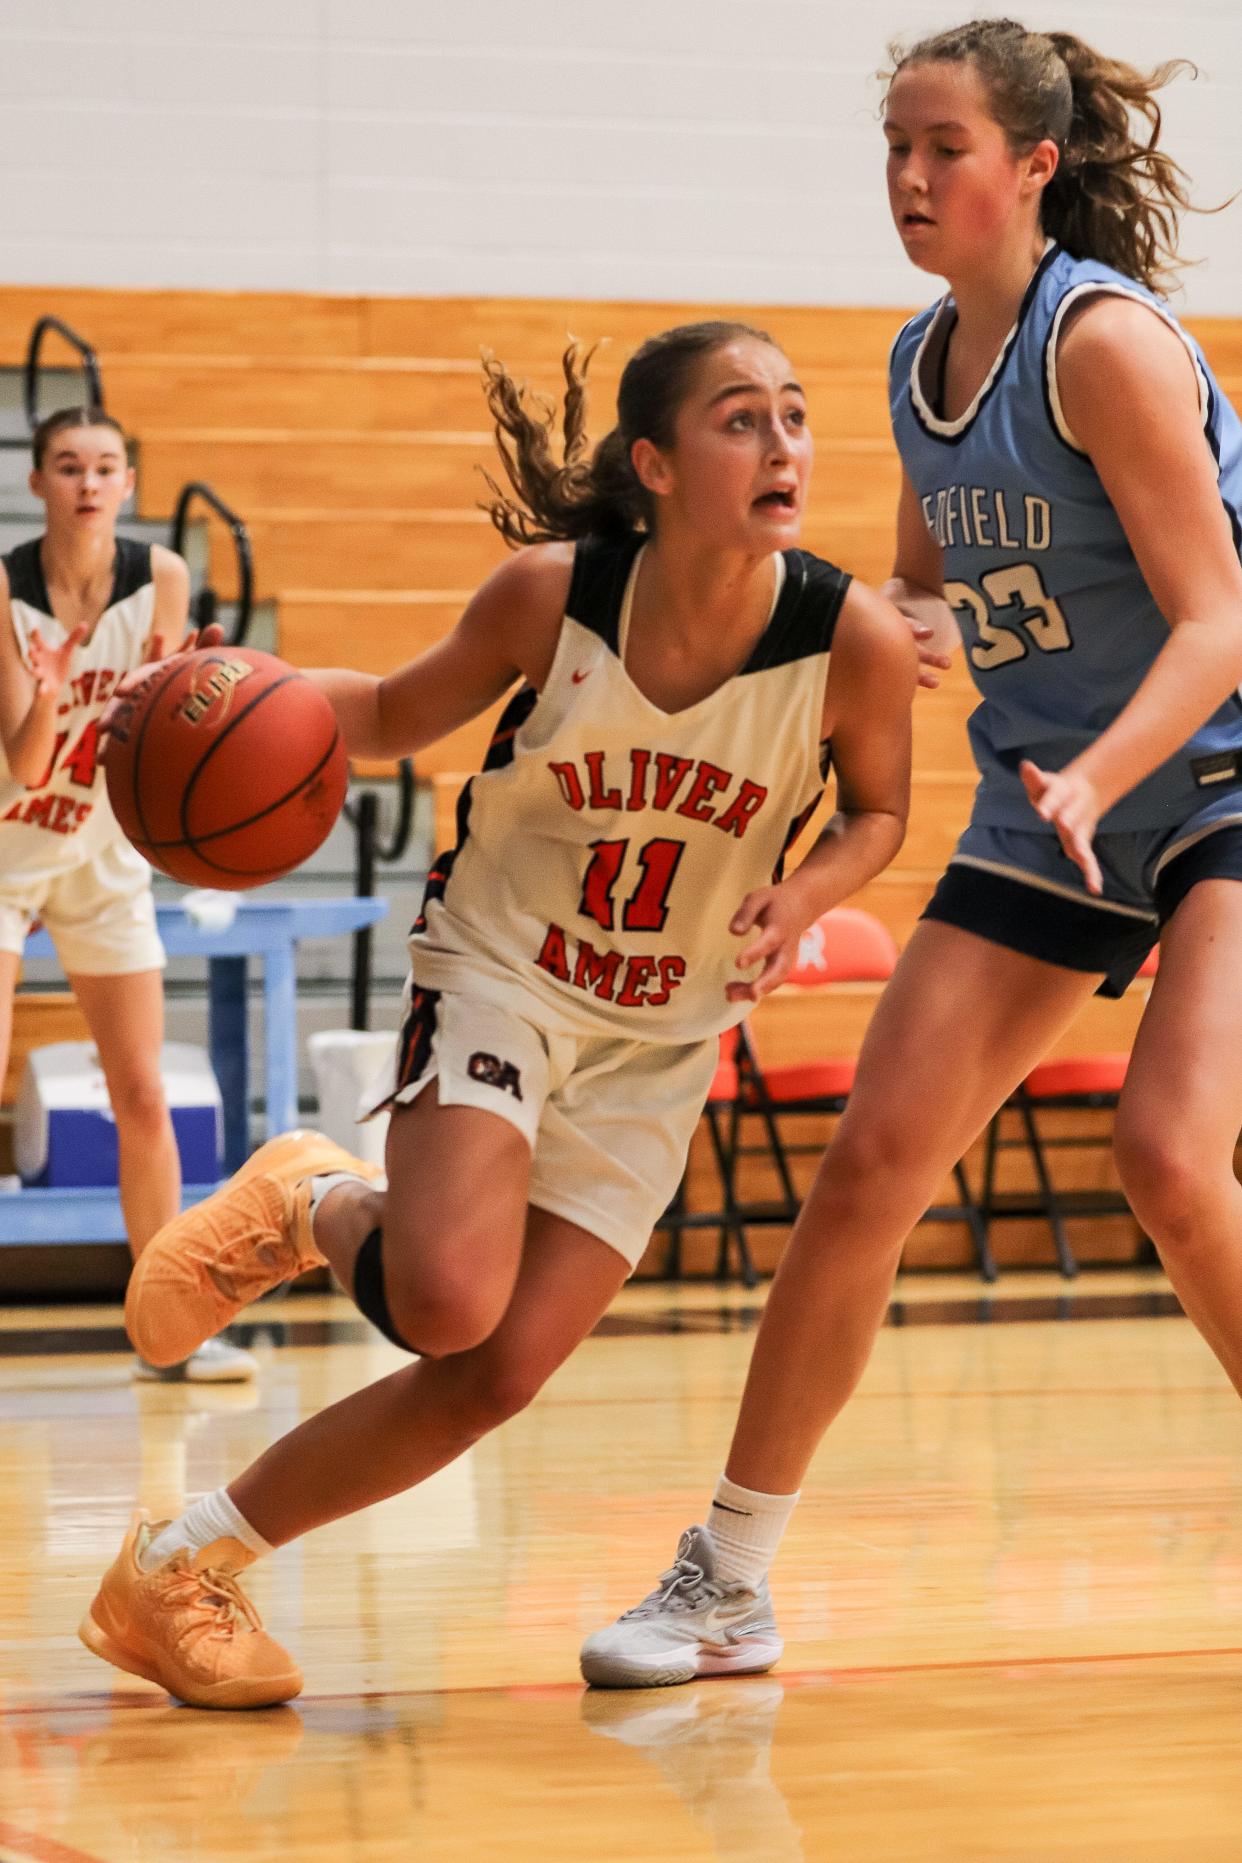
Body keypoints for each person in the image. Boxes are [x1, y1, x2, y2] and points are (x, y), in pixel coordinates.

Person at [76, 320, 918, 1707]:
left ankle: (177, 1565)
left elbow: (881, 808)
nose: (780, 444)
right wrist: (190, 697)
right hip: (503, 972)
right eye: (737, 419)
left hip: (660, 1034)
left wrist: (809, 886)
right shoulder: (553, 596)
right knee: (449, 1300)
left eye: (792, 415)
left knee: (494, 1373)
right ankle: (324, 1205)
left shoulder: (850, 640)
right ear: (652, 462)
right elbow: (394, 712)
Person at [580, 16, 1242, 1688]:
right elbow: (920, 586)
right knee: (873, 1159)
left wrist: (1094, 768)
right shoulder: (910, 364)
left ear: (1032, 165)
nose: (908, 175)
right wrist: (892, 633)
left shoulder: (1101, 348)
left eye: (942, 145)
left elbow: (1217, 620)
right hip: (1051, 805)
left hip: (1210, 776)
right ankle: (725, 1575)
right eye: (892, 144)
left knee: (1167, 1160)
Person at [0, 407, 255, 1385]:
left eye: (106, 466)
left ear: (129, 484)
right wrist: (56, 689)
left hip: (101, 854)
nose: (89, 482)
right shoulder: (8, 590)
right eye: (68, 466)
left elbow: (154, 735)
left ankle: (169, 1332)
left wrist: (200, 699)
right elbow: (24, 768)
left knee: (143, 1093)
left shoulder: (162, 578)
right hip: (10, 844)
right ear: (39, 485)